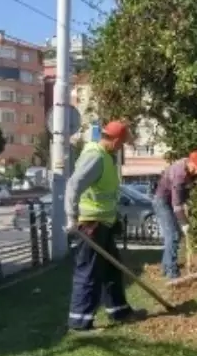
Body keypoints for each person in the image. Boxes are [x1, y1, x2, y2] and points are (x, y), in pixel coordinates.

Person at [63, 120, 147, 332]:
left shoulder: (105, 156)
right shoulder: (96, 157)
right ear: (116, 139)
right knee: (89, 272)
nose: (122, 147)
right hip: (91, 224)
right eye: (122, 143)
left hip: (104, 223)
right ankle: (79, 322)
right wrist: (71, 217)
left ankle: (119, 311)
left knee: (111, 269)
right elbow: (73, 184)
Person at [152, 150, 197, 280]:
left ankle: (166, 268)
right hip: (162, 202)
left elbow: (183, 193)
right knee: (173, 235)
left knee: (172, 236)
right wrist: (184, 222)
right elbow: (176, 204)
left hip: (171, 201)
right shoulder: (180, 174)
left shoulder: (189, 169)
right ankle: (172, 273)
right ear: (191, 163)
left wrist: (185, 202)